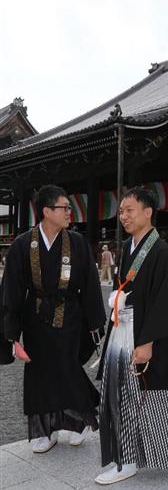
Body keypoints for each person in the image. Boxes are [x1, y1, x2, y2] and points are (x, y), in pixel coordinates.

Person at [95, 187, 168, 485]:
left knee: (160, 396)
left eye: (129, 210)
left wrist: (146, 343)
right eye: (121, 211)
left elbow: (163, 302)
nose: (123, 216)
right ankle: (127, 459)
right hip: (126, 331)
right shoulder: (130, 247)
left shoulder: (161, 252)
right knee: (125, 396)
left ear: (148, 212)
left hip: (149, 338)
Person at [0, 184, 105, 453]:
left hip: (70, 316)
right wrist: (11, 334)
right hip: (35, 318)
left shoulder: (78, 242)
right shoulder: (23, 244)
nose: (70, 212)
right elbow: (11, 289)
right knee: (39, 373)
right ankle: (45, 431)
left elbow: (91, 285)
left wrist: (95, 322)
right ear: (47, 211)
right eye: (65, 207)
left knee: (67, 367)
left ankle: (78, 422)